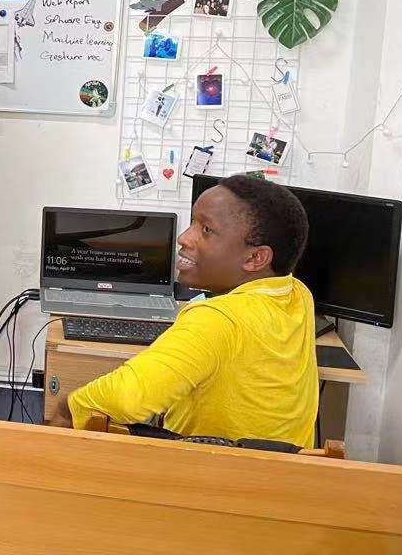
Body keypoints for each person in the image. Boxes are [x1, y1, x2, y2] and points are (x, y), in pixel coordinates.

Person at [63, 174, 318, 446]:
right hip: (286, 468)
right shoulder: (297, 293)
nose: (184, 238)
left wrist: (66, 410)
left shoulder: (217, 320)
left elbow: (123, 400)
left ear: (255, 257)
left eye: (206, 229)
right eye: (193, 222)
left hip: (209, 466)